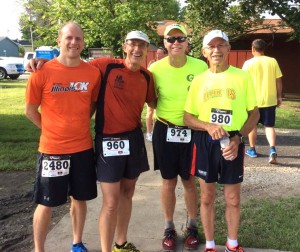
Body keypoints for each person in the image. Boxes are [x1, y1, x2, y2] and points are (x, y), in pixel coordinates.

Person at [27, 30, 156, 252]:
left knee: (118, 194)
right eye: (132, 44)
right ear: (124, 46)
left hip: (118, 141)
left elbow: (154, 102)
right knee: (105, 201)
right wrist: (43, 61)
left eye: (142, 45)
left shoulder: (143, 76)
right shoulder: (104, 65)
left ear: (147, 50)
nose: (137, 49)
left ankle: (116, 244)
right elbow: (70, 62)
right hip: (92, 142)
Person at [25, 22, 101, 252]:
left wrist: (76, 125)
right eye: (68, 38)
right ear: (59, 40)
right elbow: (30, 110)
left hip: (83, 149)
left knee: (80, 199)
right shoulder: (42, 72)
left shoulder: (92, 73)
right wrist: (50, 129)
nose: (73, 42)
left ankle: (77, 243)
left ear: (83, 43)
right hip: (52, 150)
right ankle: (39, 249)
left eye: (78, 39)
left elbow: (92, 105)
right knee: (46, 202)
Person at [184, 30, 259, 252]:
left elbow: (254, 113)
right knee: (207, 196)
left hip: (233, 140)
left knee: (233, 197)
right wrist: (208, 126)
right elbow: (188, 117)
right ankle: (209, 245)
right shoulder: (199, 81)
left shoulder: (242, 76)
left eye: (221, 45)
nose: (216, 50)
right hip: (206, 141)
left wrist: (238, 138)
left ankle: (232, 244)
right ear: (204, 52)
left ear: (228, 49)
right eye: (211, 46)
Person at [148, 23, 208, 251]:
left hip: (192, 130)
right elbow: (151, 100)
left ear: (187, 42)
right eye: (170, 39)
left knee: (189, 181)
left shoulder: (200, 66)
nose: (175, 43)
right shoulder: (155, 69)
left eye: (180, 38)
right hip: (165, 129)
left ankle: (192, 226)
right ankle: (169, 227)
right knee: (168, 181)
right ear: (164, 43)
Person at [242, 39, 283, 164]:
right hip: (269, 99)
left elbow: (243, 82)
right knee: (269, 126)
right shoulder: (272, 61)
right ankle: (272, 149)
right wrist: (279, 96)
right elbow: (278, 80)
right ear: (264, 49)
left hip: (253, 100)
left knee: (252, 125)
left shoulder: (248, 63)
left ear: (253, 49)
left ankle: (252, 150)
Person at [146, 47, 166, 141]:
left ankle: (154, 131)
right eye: (157, 53)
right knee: (150, 111)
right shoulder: (152, 64)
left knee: (156, 114)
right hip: (152, 91)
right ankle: (149, 133)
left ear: (165, 54)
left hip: (161, 92)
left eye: (160, 53)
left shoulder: (167, 64)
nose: (158, 55)